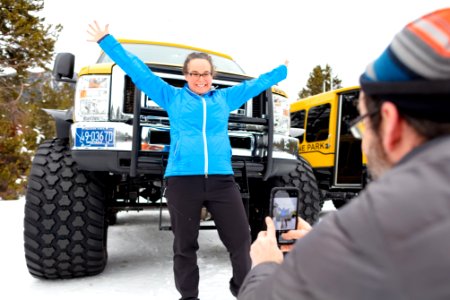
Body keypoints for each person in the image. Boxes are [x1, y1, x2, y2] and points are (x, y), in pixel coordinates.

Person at [238, 7, 450, 300]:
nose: (361, 141)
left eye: (363, 126)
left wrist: (265, 266)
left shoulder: (378, 225)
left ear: (391, 123)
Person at [86, 21, 288, 300]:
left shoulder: (225, 99)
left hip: (221, 181)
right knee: (185, 246)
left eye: (205, 73)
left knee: (240, 241)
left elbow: (258, 84)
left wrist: (282, 70)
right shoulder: (172, 97)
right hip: (183, 181)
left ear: (212, 75)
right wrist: (107, 41)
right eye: (194, 73)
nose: (200, 79)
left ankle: (243, 290)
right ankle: (189, 297)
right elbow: (138, 71)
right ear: (186, 75)